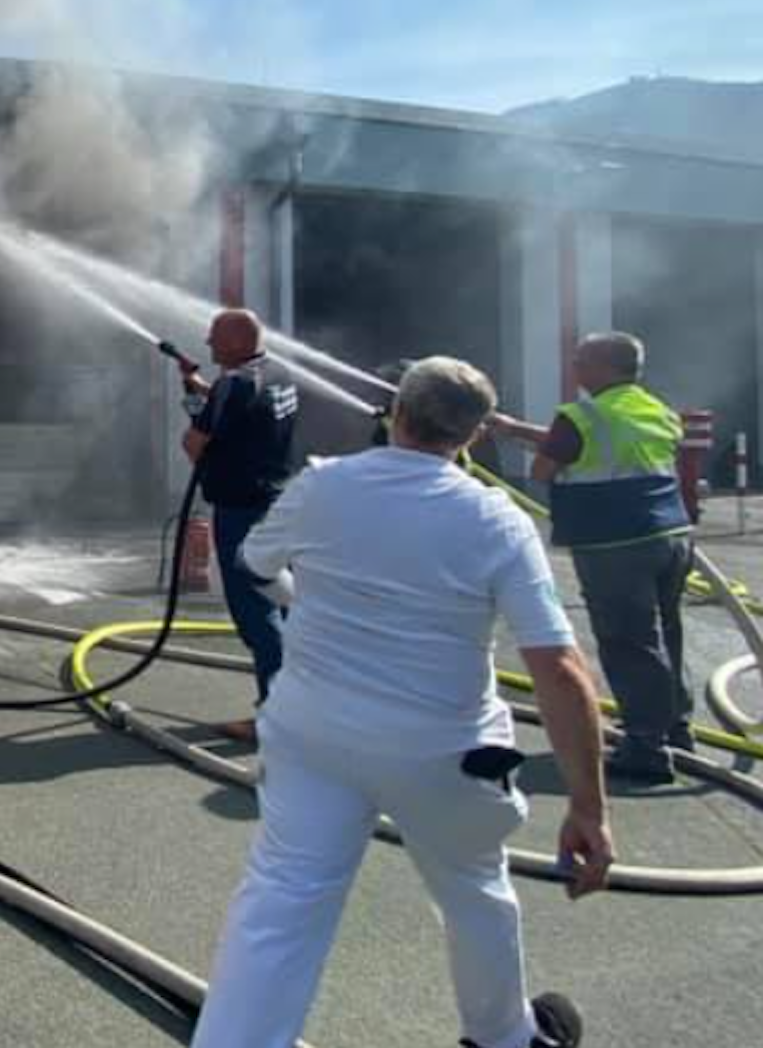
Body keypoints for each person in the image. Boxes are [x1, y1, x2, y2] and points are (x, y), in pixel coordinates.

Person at [192, 357, 612, 1048]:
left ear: (396, 415)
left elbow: (257, 565)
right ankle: (504, 1037)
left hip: (311, 735)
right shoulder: (495, 519)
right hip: (442, 751)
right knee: (474, 891)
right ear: (472, 437)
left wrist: (305, 603)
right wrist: (589, 808)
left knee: (281, 901)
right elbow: (559, 668)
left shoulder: (322, 485)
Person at [492, 332, 695, 784]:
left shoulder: (580, 416)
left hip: (614, 545)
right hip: (673, 537)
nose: (575, 368)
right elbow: (582, 444)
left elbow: (545, 468)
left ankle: (645, 748)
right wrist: (515, 428)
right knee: (665, 633)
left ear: (607, 366)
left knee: (629, 642)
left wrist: (530, 446)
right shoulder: (652, 408)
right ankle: (675, 728)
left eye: (582, 361)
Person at [176, 308, 300, 741]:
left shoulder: (234, 384)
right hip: (278, 505)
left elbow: (197, 445)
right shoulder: (278, 372)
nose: (209, 345)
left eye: (214, 338)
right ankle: (305, 707)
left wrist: (196, 412)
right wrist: (200, 392)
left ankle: (276, 716)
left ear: (233, 342)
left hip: (241, 509)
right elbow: (241, 413)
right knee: (287, 603)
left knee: (255, 613)